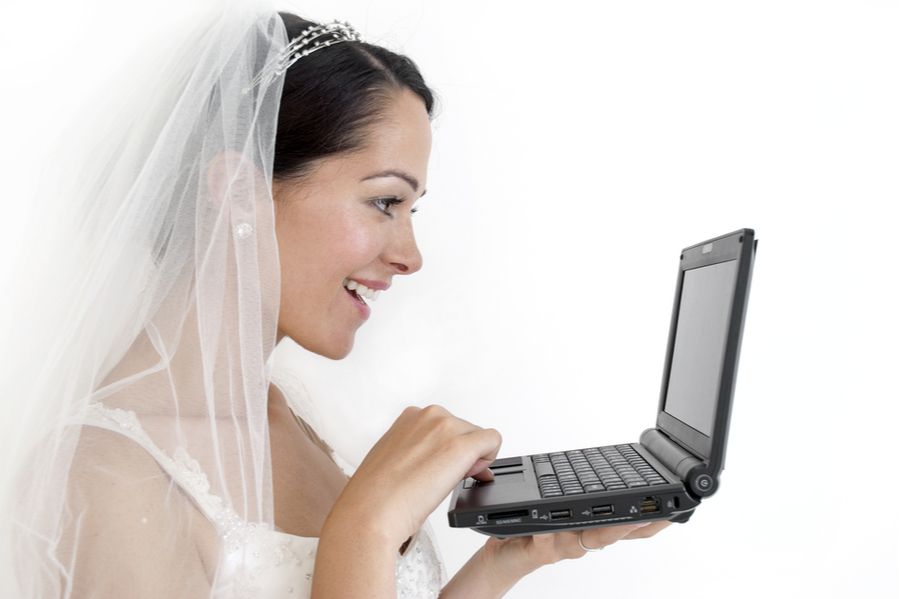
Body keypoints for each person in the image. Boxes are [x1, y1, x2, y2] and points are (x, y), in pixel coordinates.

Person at [0, 1, 669, 597]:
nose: (410, 255)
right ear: (236, 190)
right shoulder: (103, 474)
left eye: (411, 210)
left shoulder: (291, 417)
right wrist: (365, 530)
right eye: (384, 202)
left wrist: (501, 564)